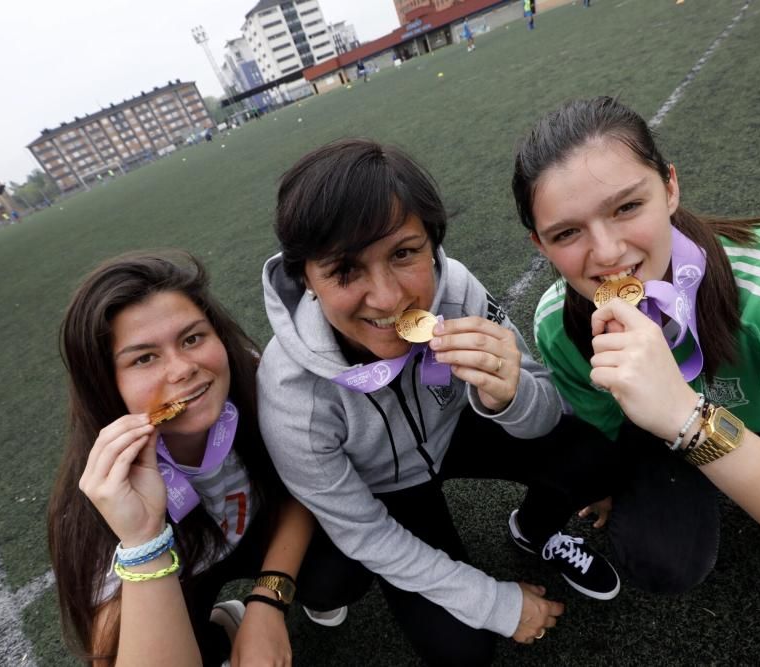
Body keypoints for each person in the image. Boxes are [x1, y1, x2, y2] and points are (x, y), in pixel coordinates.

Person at [512, 96, 760, 656]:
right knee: (662, 559)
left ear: (670, 187)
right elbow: (601, 432)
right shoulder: (559, 321)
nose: (607, 252)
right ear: (540, 245)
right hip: (664, 443)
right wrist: (608, 483)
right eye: (567, 233)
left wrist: (691, 421)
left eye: (626, 207)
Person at [258, 138, 624, 665]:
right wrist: (493, 602)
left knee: (596, 458)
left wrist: (509, 395)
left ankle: (534, 530)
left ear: (432, 242)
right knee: (463, 651)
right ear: (305, 279)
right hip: (386, 490)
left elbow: (546, 409)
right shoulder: (290, 391)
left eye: (405, 254)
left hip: (458, 429)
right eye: (345, 270)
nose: (388, 298)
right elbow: (361, 529)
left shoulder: (456, 292)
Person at [48, 251, 342, 666]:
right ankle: (220, 627)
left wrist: (269, 600)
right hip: (183, 572)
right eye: (144, 358)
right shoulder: (101, 491)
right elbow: (109, 652)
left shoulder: (255, 383)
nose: (183, 368)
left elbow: (304, 486)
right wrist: (142, 538)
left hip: (260, 530)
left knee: (338, 571)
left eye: (192, 338)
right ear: (104, 384)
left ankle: (292, 596)